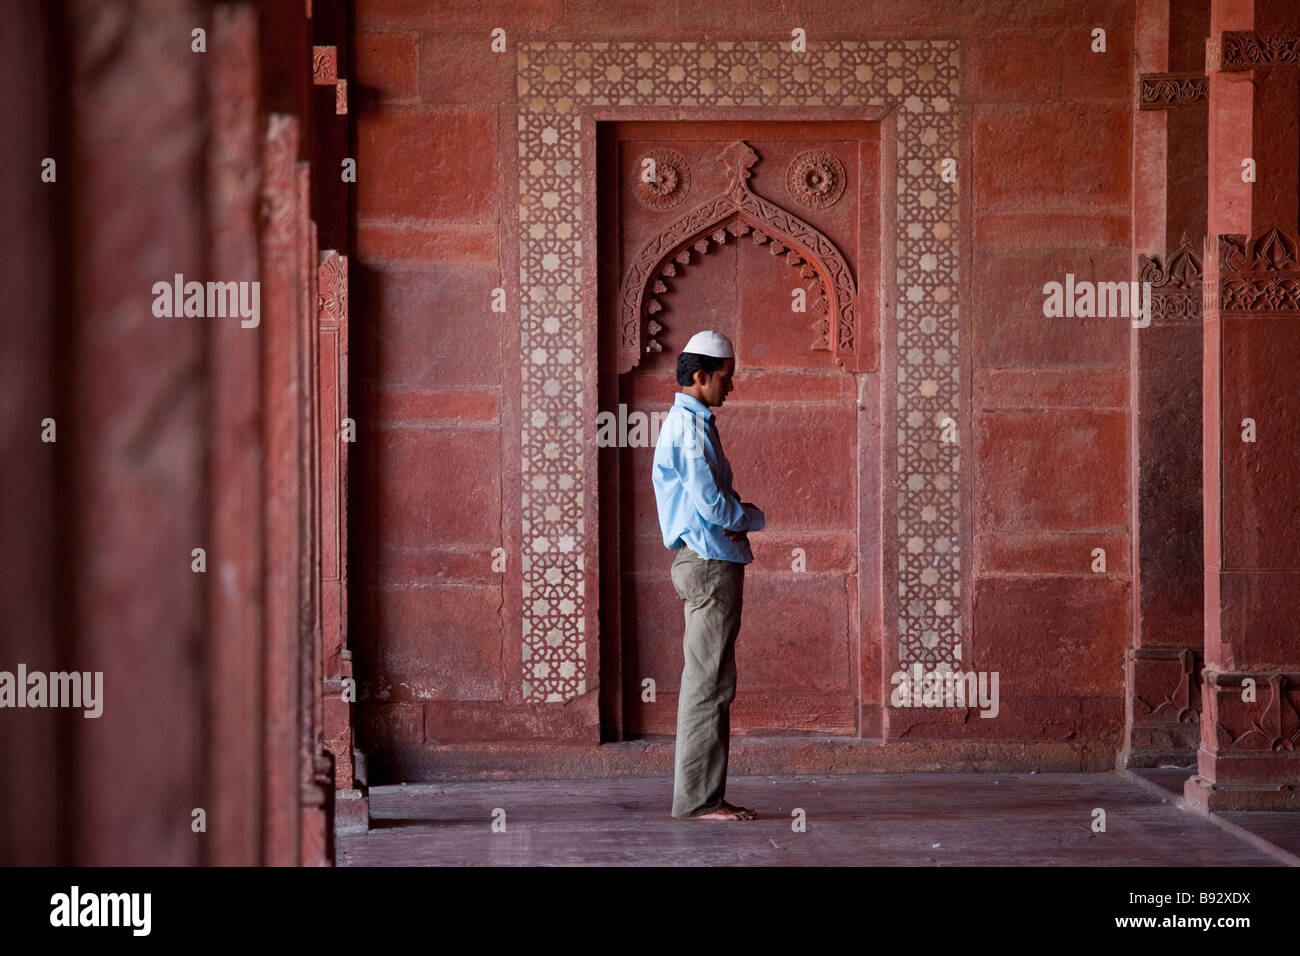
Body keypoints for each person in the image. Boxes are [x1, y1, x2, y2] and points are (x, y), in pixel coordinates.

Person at [650, 329, 765, 821]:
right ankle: (698, 802)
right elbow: (712, 504)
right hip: (709, 564)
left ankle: (703, 797)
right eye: (725, 379)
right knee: (708, 686)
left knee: (711, 683)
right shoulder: (690, 429)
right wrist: (750, 518)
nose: (730, 388)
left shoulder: (690, 422)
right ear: (701, 377)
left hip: (705, 561)